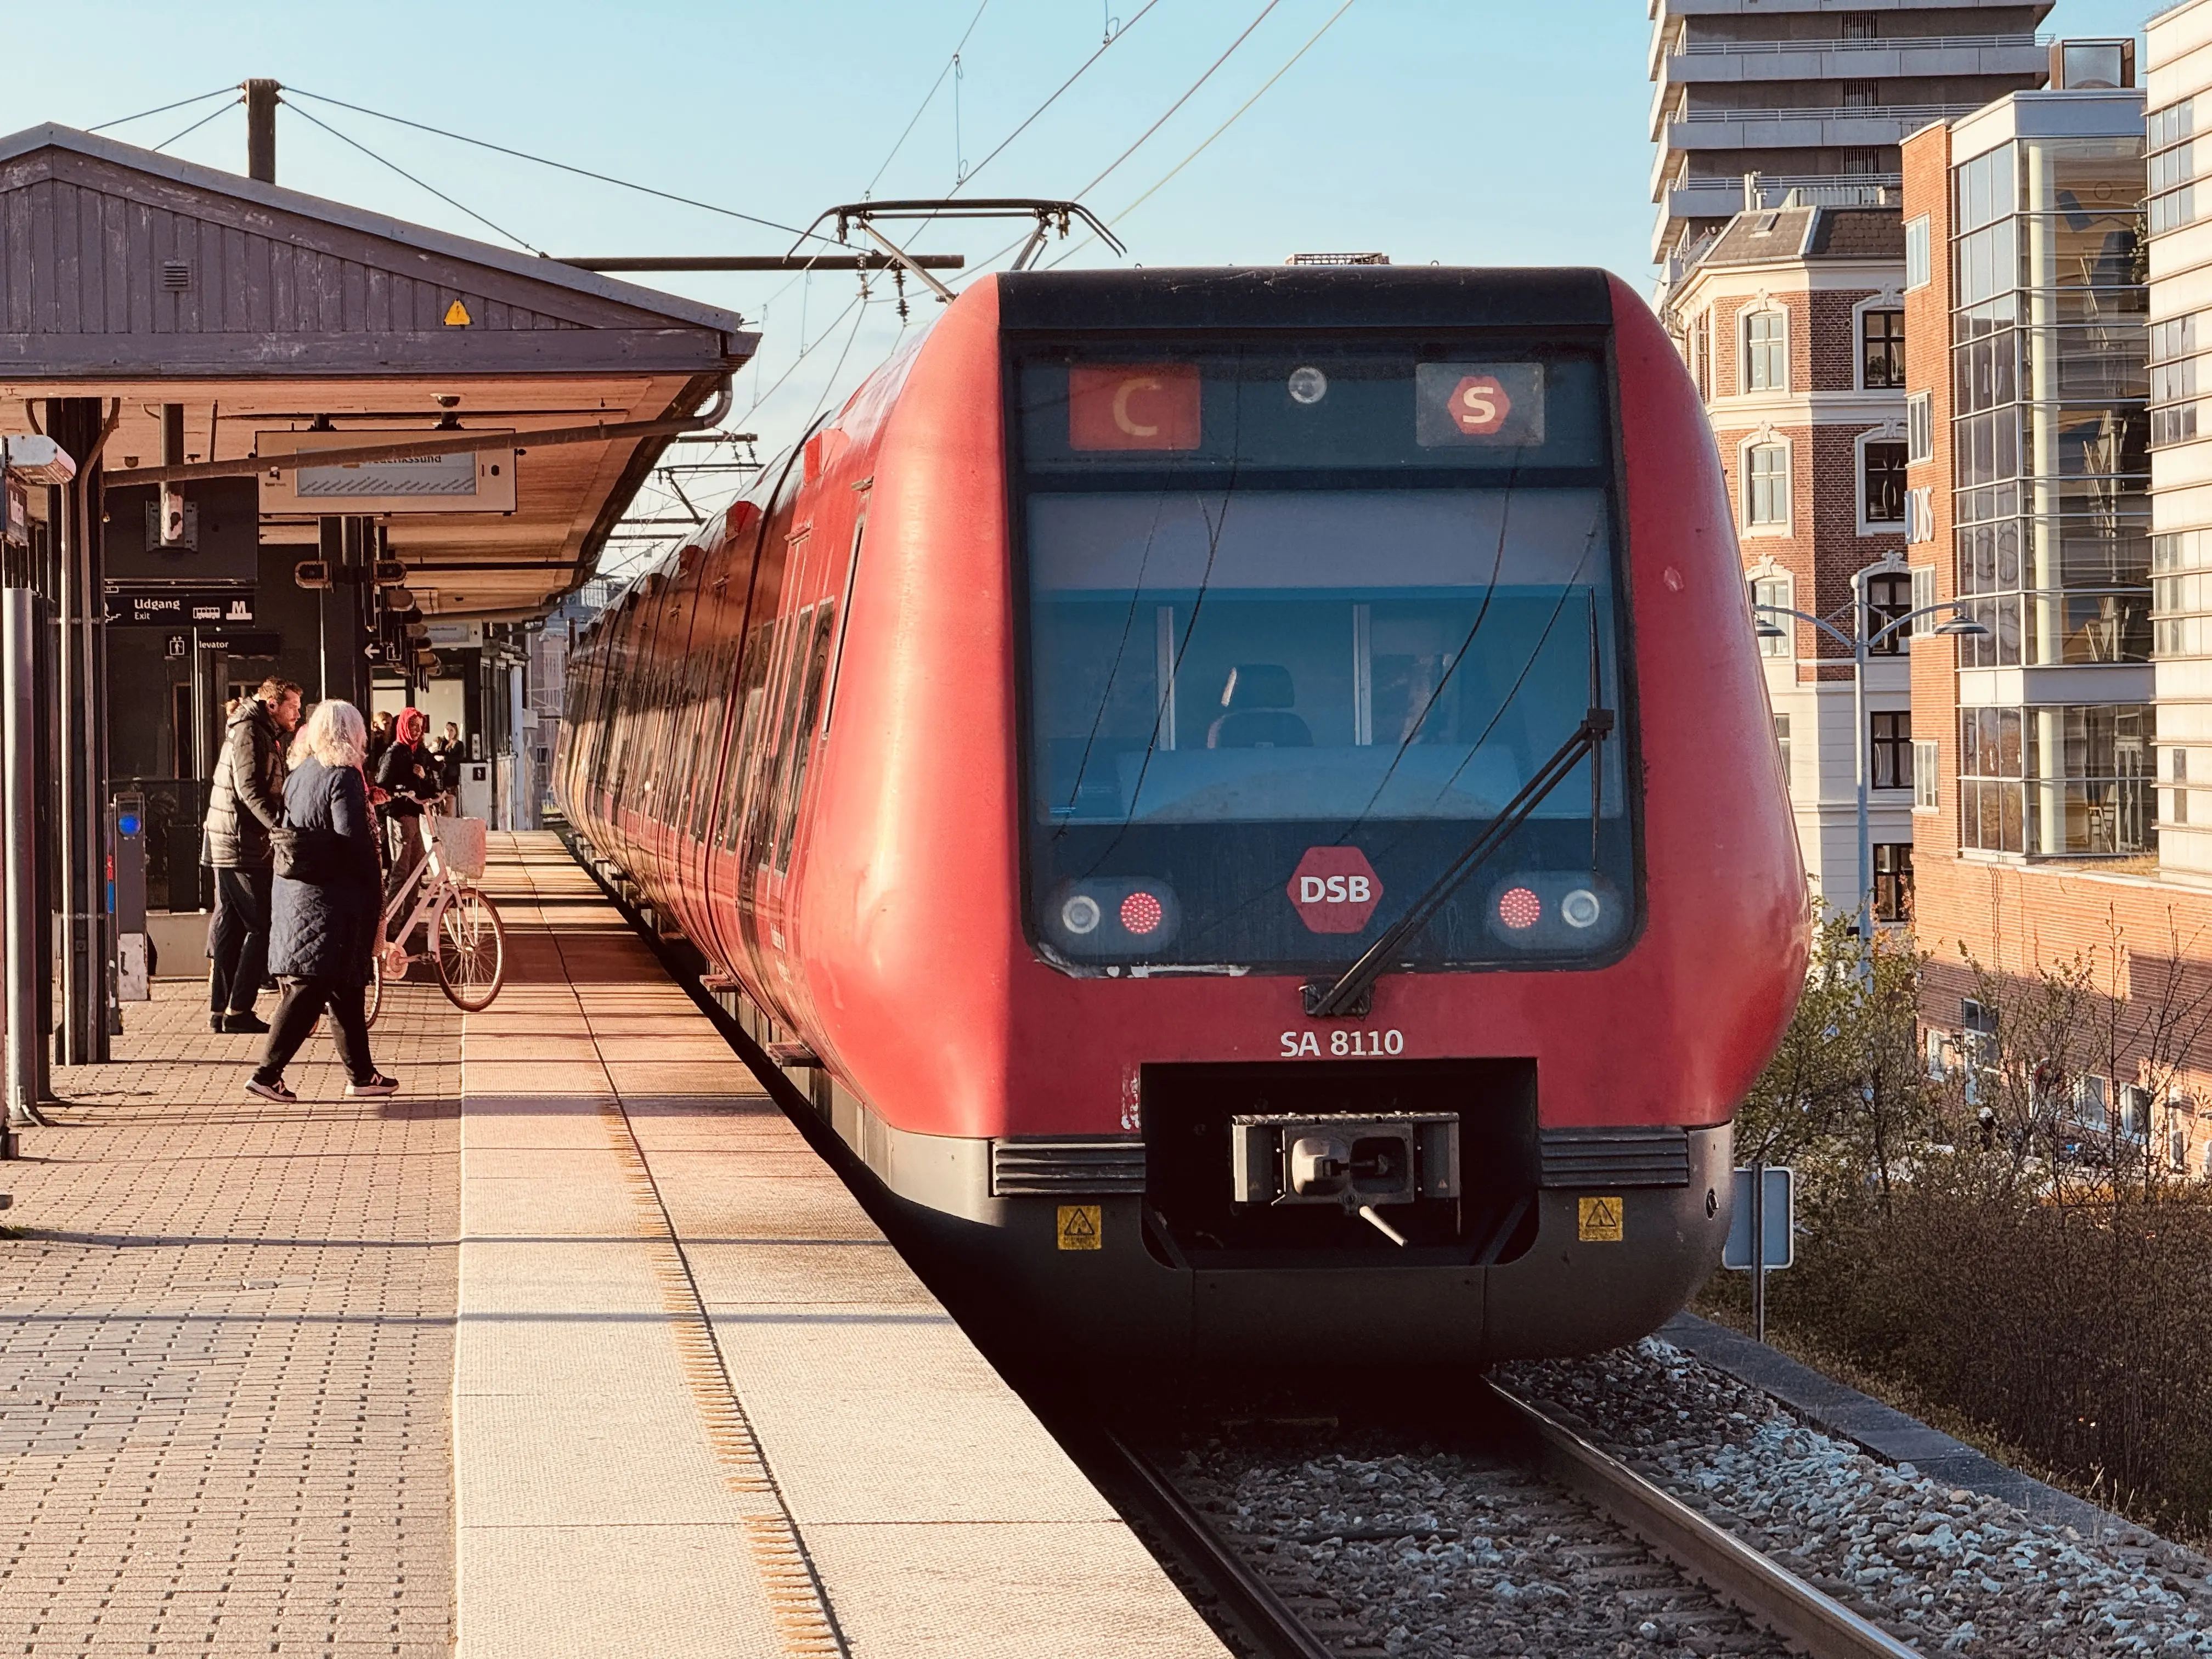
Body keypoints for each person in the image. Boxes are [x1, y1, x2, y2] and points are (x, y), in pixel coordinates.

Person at [247, 699, 396, 1103]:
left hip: (299, 895)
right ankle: (266, 1074)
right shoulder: (345, 775)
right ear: (353, 734)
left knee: (345, 987)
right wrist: (373, 892)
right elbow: (354, 841)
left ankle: (362, 1076)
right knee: (309, 989)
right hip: (331, 902)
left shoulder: (303, 772)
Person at [200, 676, 302, 1034]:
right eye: (292, 707)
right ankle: (239, 1010)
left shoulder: (258, 729)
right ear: (272, 705)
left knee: (230, 926)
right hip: (239, 841)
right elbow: (248, 788)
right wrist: (278, 828)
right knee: (263, 925)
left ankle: (221, 1012)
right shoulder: (250, 731)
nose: (298, 714)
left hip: (228, 838)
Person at [376, 708, 441, 901]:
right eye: (412, 725)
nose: (416, 730)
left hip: (419, 816)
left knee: (416, 869)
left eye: (420, 727)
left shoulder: (420, 752)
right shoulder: (394, 753)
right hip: (401, 817)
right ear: (403, 726)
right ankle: (392, 923)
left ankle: (408, 921)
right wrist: (399, 794)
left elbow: (434, 781)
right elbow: (382, 787)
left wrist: (424, 775)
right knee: (401, 871)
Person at [365, 709, 396, 776]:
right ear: (376, 724)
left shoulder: (393, 738)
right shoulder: (374, 739)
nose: (389, 727)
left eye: (390, 724)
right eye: (386, 723)